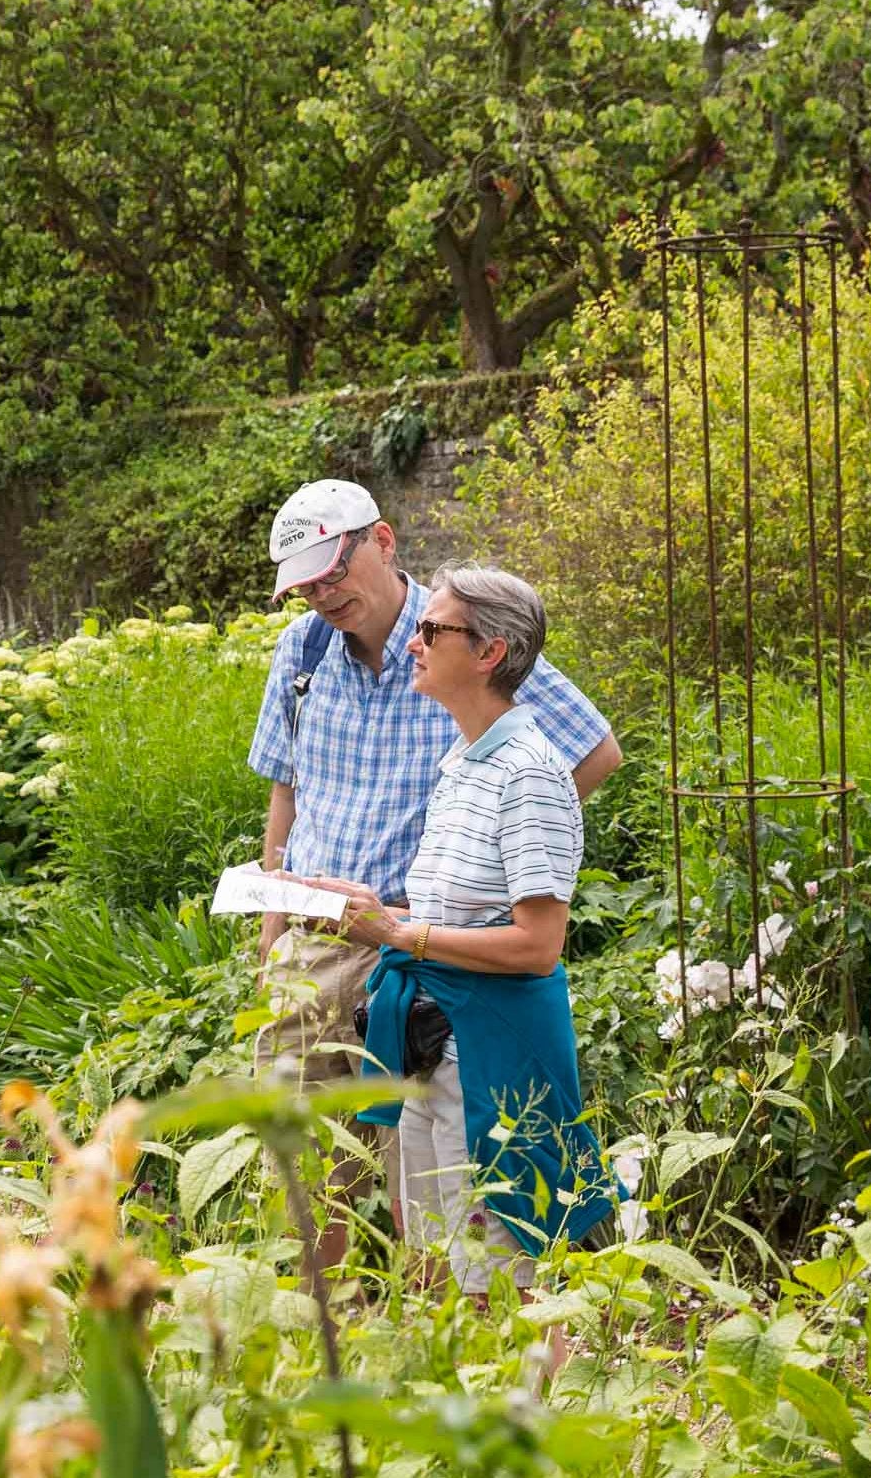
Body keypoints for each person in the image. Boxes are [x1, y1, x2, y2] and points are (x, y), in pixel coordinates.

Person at [245, 479, 617, 1272]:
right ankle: (336, 1328)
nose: (321, 595)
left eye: (331, 572)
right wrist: (271, 943)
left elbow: (590, 752)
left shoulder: (460, 633)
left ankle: (441, 1326)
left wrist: (485, 856)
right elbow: (286, 791)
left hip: (416, 943)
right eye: (303, 586)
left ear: (380, 541)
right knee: (308, 1163)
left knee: (423, 1166)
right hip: (313, 945)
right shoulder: (303, 654)